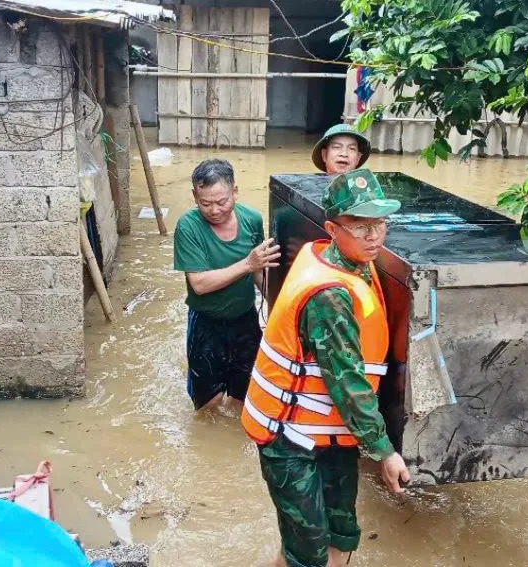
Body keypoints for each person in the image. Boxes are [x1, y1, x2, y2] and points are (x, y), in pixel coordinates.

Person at [241, 168, 409, 567]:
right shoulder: (330, 296)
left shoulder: (349, 260)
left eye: (379, 224)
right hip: (288, 437)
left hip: (330, 434)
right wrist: (384, 452)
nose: (373, 236)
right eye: (359, 225)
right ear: (333, 228)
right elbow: (348, 382)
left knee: (342, 535)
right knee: (308, 552)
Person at [173, 159, 281, 412]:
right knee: (207, 403)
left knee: (245, 395)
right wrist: (247, 263)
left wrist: (278, 306)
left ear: (235, 191)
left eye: (222, 201)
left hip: (244, 319)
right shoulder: (188, 226)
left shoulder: (252, 219)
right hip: (206, 322)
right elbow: (199, 284)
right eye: (205, 203)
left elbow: (259, 271)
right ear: (194, 196)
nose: (214, 210)